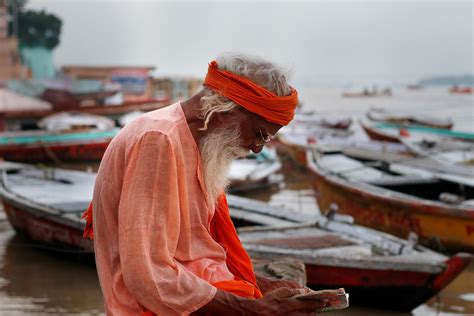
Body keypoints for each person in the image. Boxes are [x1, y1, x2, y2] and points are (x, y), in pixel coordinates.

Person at [83, 53, 328, 315]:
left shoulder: (198, 143)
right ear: (225, 108)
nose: (257, 149)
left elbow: (193, 251)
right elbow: (148, 275)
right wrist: (253, 309)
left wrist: (266, 287)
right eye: (259, 134)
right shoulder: (158, 139)